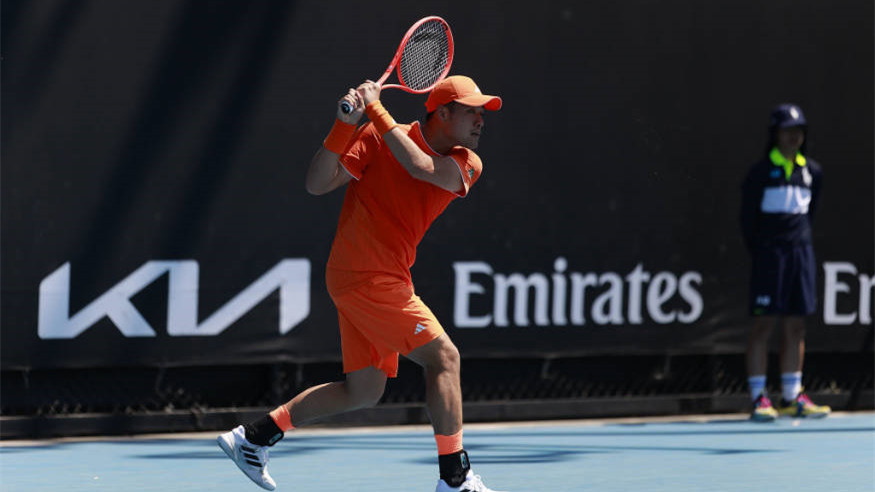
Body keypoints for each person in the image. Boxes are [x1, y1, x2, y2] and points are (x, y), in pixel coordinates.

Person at [218, 75, 505, 491]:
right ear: (442, 113)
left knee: (363, 391)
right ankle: (456, 479)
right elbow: (317, 183)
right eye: (471, 112)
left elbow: (421, 167)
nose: (480, 121)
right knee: (445, 357)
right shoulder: (375, 135)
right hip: (364, 274)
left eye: (482, 113)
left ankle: (254, 437)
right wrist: (344, 125)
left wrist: (375, 110)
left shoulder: (466, 163)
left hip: (378, 276)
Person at [739, 103, 831, 422]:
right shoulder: (761, 172)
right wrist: (766, 249)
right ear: (775, 134)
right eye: (787, 131)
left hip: (800, 255)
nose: (793, 137)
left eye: (798, 131)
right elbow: (748, 220)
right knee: (764, 324)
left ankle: (792, 396)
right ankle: (758, 397)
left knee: (796, 325)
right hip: (770, 256)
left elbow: (810, 214)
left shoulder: (812, 172)